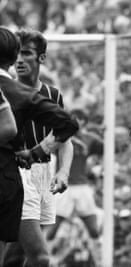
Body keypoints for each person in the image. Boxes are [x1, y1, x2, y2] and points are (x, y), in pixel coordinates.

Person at [0, 27, 78, 266]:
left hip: (44, 172)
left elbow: (65, 137)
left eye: (27, 53)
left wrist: (62, 171)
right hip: (17, 173)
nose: (21, 60)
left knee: (17, 255)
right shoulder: (9, 90)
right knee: (37, 255)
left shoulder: (51, 95)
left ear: (41, 58)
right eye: (19, 54)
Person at [46, 109, 101, 247]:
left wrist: (103, 132)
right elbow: (47, 149)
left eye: (80, 119)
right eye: (74, 118)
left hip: (82, 186)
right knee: (52, 230)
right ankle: (42, 257)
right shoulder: (59, 136)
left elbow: (107, 149)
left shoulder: (91, 139)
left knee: (94, 230)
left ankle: (99, 256)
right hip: (63, 187)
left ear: (85, 122)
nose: (77, 121)